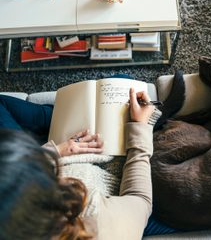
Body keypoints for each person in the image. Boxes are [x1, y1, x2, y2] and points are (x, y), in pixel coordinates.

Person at [0, 87, 160, 240]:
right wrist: (141, 126)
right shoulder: (96, 219)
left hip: (56, 150)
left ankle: (60, 116)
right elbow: (140, 200)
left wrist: (57, 150)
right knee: (122, 83)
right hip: (93, 159)